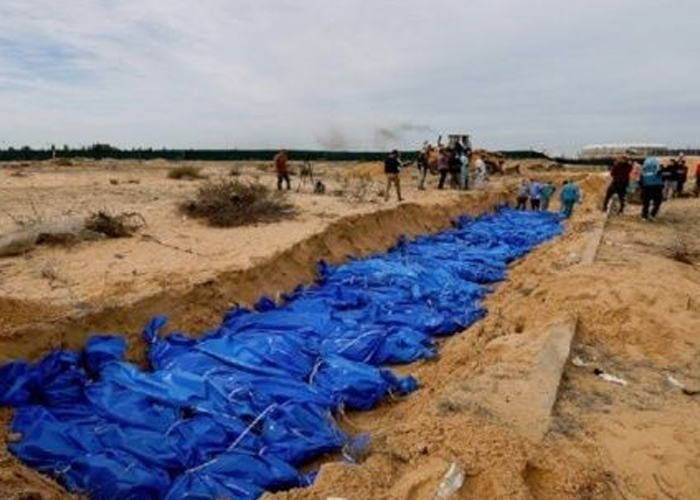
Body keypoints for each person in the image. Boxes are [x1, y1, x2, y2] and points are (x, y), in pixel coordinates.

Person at [639, 156, 664, 220]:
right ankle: (649, 215)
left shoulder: (645, 170)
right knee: (654, 202)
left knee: (647, 203)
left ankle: (646, 216)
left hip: (649, 188)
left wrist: (642, 187)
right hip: (654, 188)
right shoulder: (657, 170)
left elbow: (640, 180)